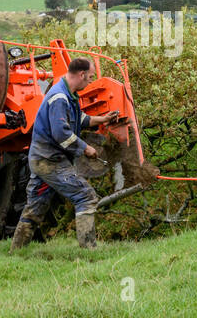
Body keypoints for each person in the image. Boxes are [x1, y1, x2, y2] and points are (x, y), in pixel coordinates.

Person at [11, 57, 119, 250]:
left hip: (41, 159)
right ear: (81, 74)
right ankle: (89, 249)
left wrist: (103, 119)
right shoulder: (60, 98)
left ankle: (16, 251)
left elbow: (79, 119)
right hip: (49, 161)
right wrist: (86, 148)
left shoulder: (68, 94)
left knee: (35, 207)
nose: (91, 81)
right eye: (90, 77)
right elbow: (61, 133)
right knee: (86, 196)